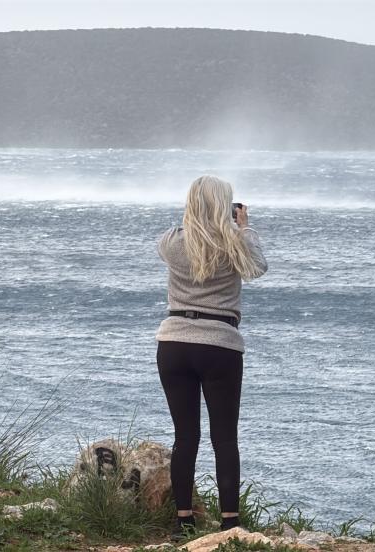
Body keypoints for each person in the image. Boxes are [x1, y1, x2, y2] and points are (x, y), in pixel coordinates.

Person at [155, 175, 268, 535]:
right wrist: (244, 228)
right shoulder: (235, 243)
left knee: (185, 437)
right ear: (225, 206)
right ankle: (230, 522)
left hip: (174, 343)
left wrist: (193, 219)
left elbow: (174, 241)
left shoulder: (173, 241)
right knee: (225, 438)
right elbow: (258, 268)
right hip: (220, 343)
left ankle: (183, 521)